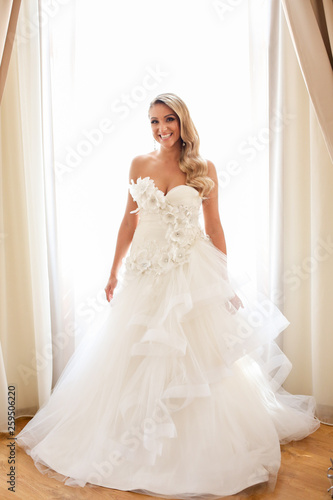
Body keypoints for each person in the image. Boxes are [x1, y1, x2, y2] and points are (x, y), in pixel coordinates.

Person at [17, 93, 319, 498]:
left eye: (169, 120)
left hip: (189, 274)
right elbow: (128, 222)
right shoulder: (138, 164)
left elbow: (215, 227)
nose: (162, 129)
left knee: (194, 358)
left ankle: (196, 447)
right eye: (154, 121)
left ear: (183, 122)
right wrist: (112, 271)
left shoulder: (203, 167)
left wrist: (223, 283)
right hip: (144, 271)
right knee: (133, 354)